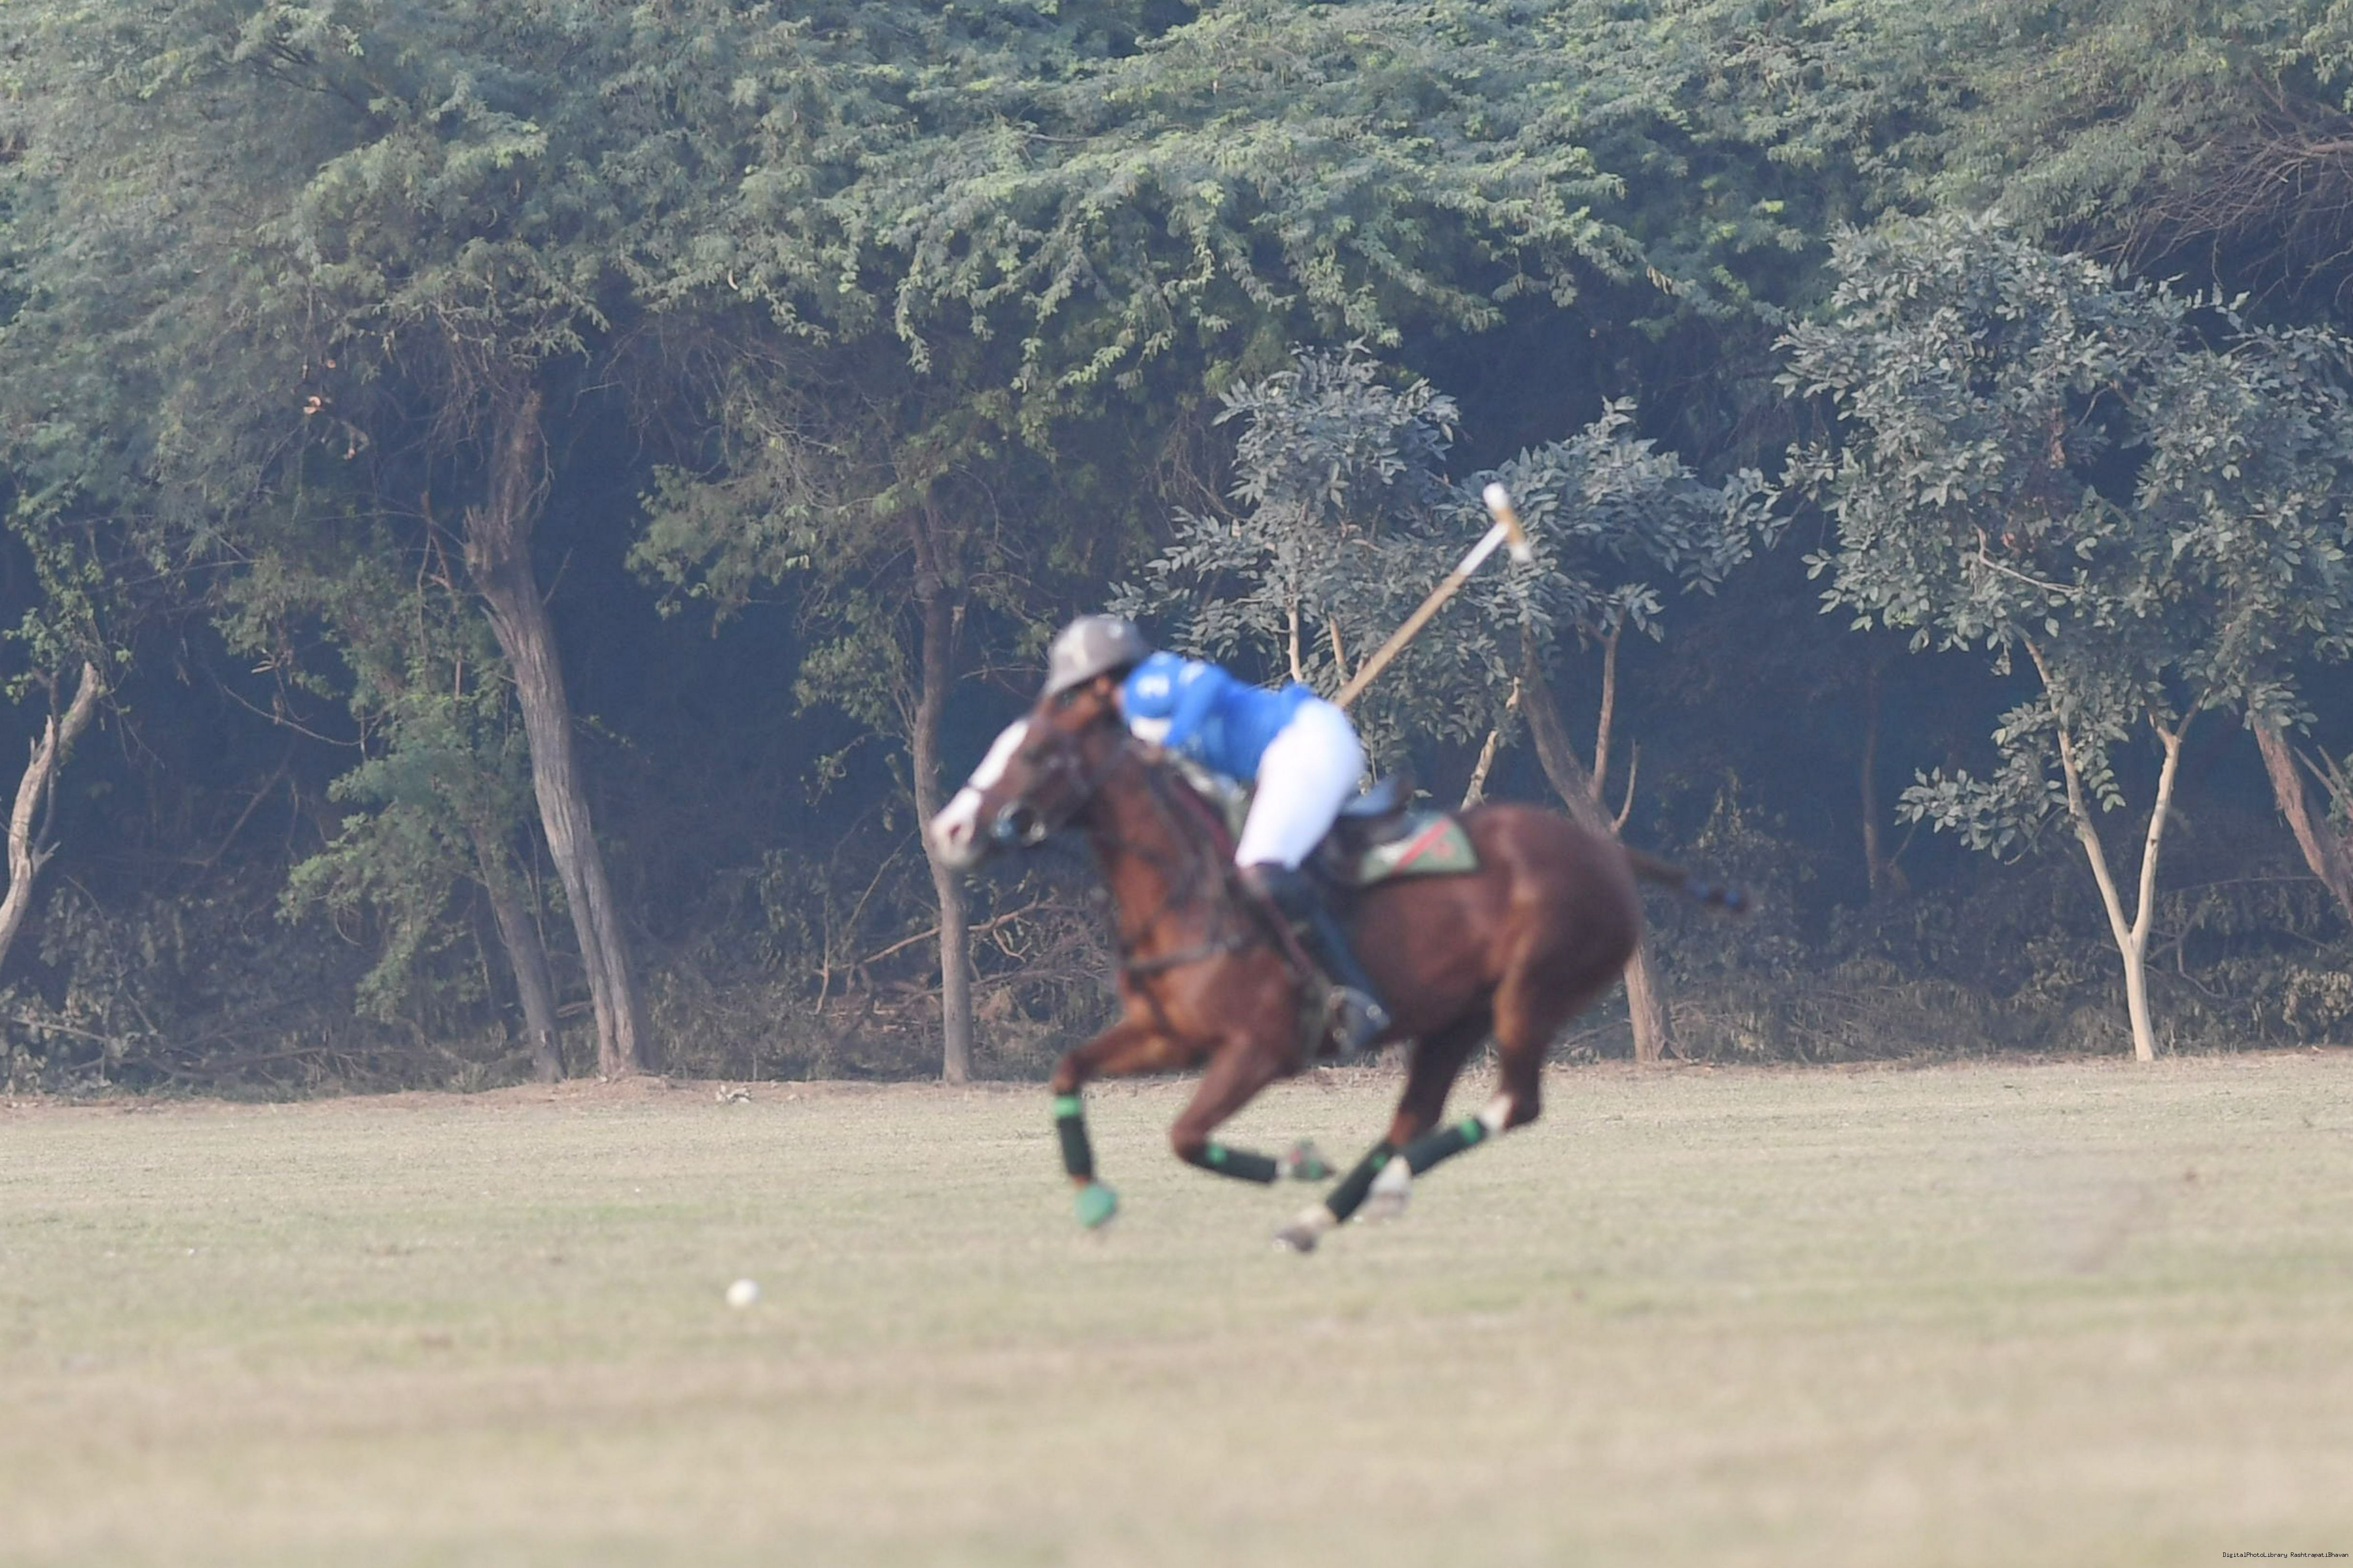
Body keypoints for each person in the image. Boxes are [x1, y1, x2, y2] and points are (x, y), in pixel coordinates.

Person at [1043, 615, 1390, 1053]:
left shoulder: (1143, 687)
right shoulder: (1136, 723)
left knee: (1260, 870)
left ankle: (1360, 999)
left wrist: (1171, 740)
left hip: (1300, 742)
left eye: (1078, 691)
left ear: (1100, 682)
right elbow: (1214, 790)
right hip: (1293, 750)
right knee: (1252, 879)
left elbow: (1209, 682)